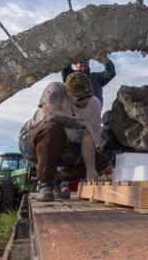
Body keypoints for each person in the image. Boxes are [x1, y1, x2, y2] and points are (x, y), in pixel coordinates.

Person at [18, 72, 109, 201]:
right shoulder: (55, 89)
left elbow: (88, 139)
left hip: (64, 147)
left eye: (88, 96)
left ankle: (58, 177)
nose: (85, 101)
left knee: (101, 160)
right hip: (32, 143)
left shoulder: (95, 104)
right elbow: (51, 116)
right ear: (68, 94)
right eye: (79, 98)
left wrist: (90, 169)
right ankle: (45, 183)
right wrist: (82, 124)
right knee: (54, 127)